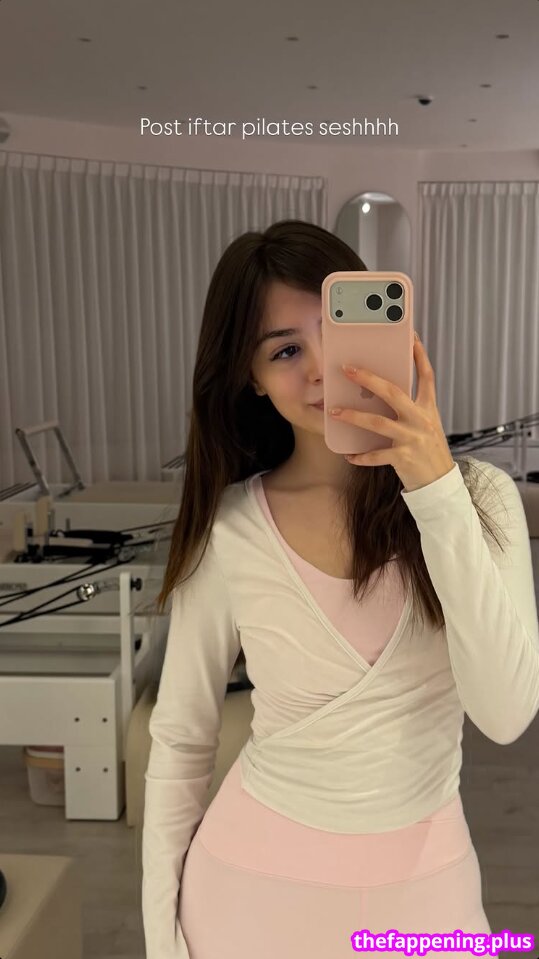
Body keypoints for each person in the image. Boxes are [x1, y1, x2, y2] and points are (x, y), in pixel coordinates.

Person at [141, 220, 539, 959]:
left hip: (426, 897)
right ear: (251, 378)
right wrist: (160, 940)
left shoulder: (479, 498)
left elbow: (506, 714)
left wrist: (434, 491)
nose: (322, 369)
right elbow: (183, 737)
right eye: (286, 350)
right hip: (248, 896)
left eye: (336, 329)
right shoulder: (230, 528)